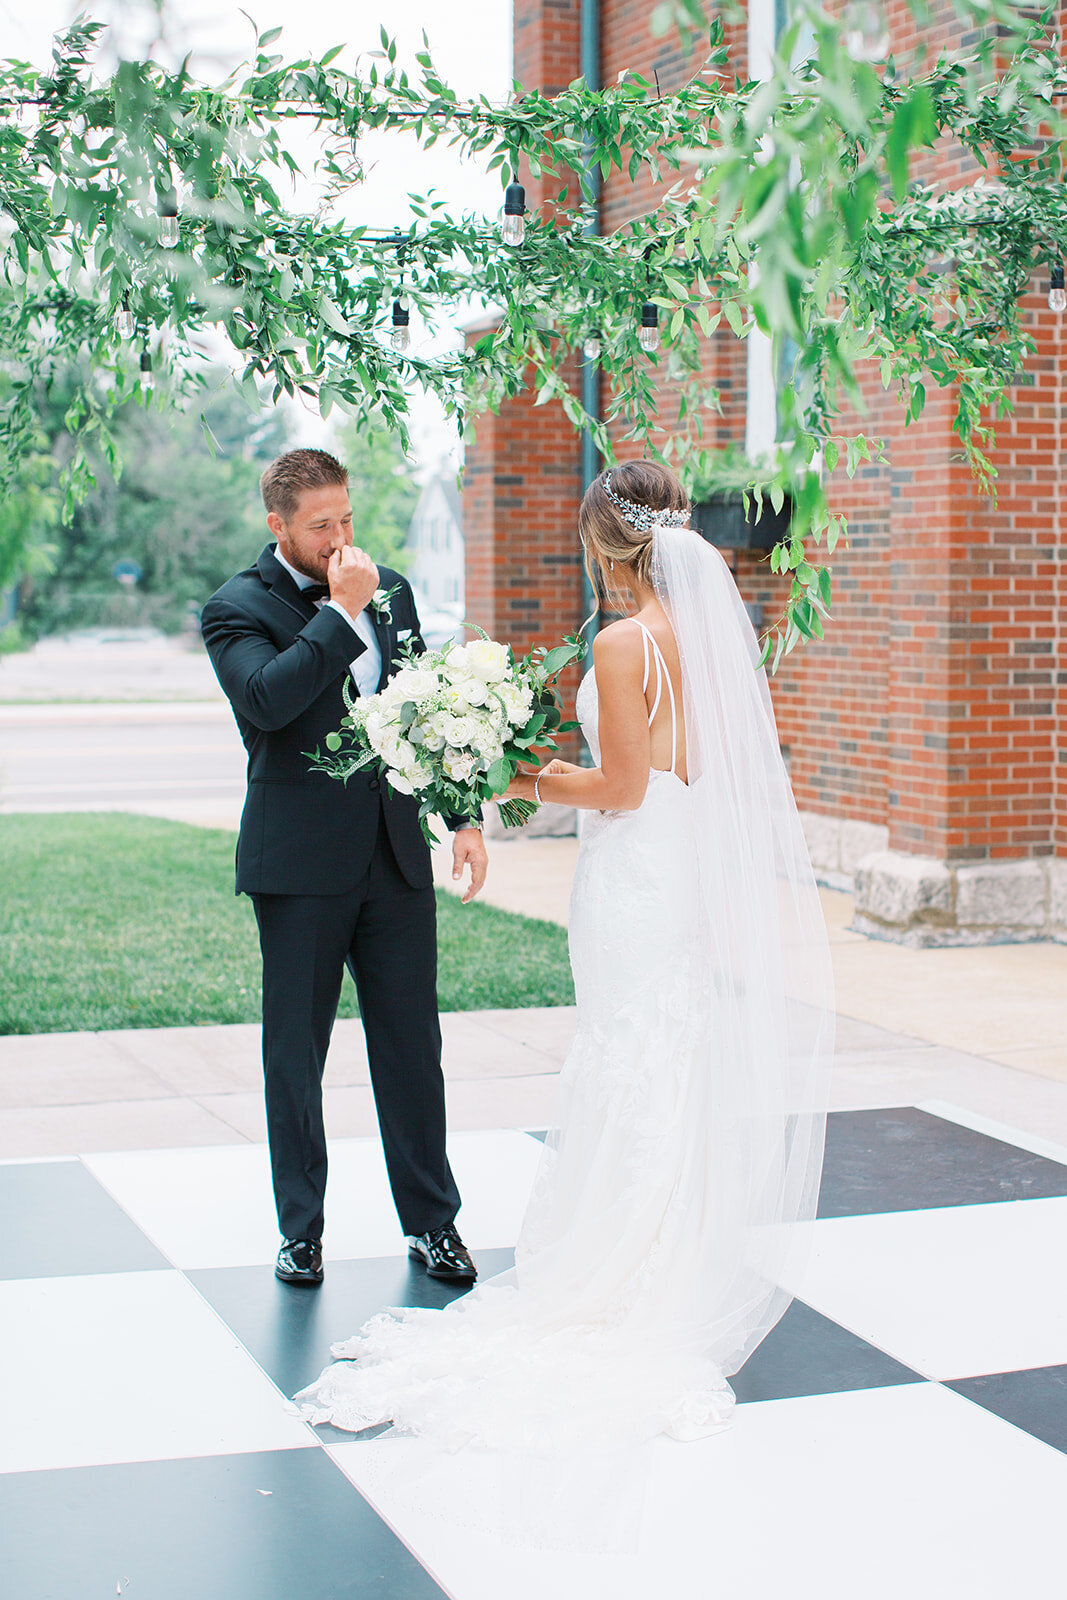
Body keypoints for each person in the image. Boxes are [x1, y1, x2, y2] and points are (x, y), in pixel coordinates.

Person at [294, 458, 833, 1452]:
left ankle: (619, 1262)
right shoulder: (701, 638)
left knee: (628, 1044)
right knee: (657, 1044)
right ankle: (666, 1245)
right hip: (666, 868)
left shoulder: (626, 644)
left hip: (632, 869)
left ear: (601, 542)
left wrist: (517, 774)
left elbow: (620, 786)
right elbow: (681, 771)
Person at [201, 448, 488, 1289]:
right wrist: (338, 611)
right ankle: (300, 1231)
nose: (339, 538)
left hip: (396, 856)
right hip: (298, 867)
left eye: (347, 520)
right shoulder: (234, 608)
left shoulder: (387, 587)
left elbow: (429, 710)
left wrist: (462, 819)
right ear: (278, 525)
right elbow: (268, 702)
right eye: (319, 525)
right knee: (295, 1055)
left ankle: (433, 1225)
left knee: (411, 1049)